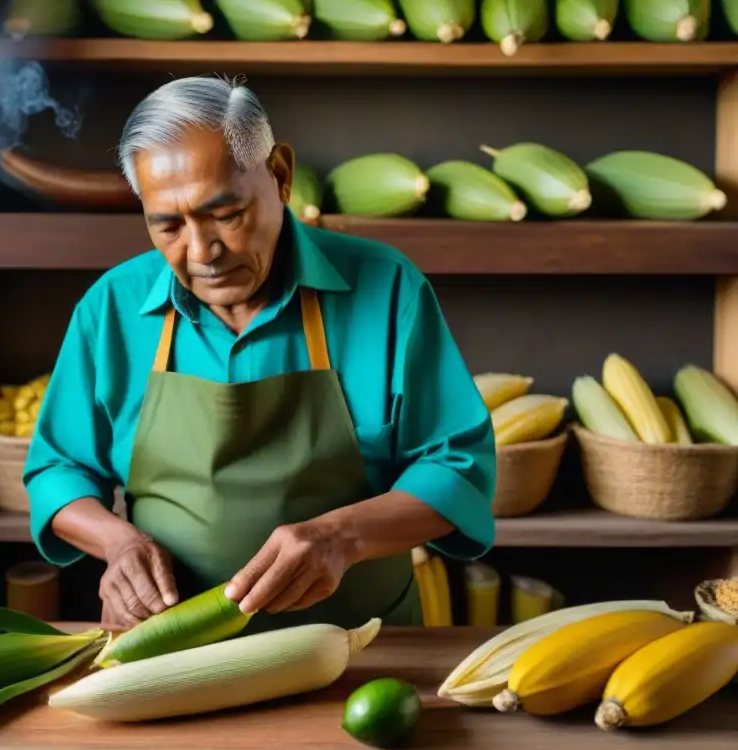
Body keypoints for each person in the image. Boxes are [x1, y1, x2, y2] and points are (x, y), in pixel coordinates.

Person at [24, 75, 496, 631]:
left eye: (225, 214)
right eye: (169, 225)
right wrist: (118, 543)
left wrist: (339, 537)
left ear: (280, 176)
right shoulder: (111, 308)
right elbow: (59, 467)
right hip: (172, 651)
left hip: (361, 645)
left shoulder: (388, 289)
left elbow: (457, 466)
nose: (202, 252)